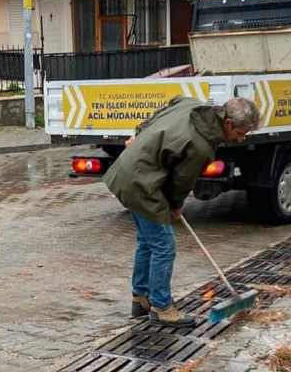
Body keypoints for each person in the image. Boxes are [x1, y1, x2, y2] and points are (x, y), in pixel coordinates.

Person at [102, 95, 261, 327]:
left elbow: (170, 103)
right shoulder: (202, 145)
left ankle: (141, 299)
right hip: (141, 183)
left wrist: (140, 132)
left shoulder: (193, 105)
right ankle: (162, 307)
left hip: (128, 173)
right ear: (228, 123)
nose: (240, 139)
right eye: (241, 133)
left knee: (148, 242)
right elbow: (181, 180)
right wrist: (175, 204)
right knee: (164, 247)